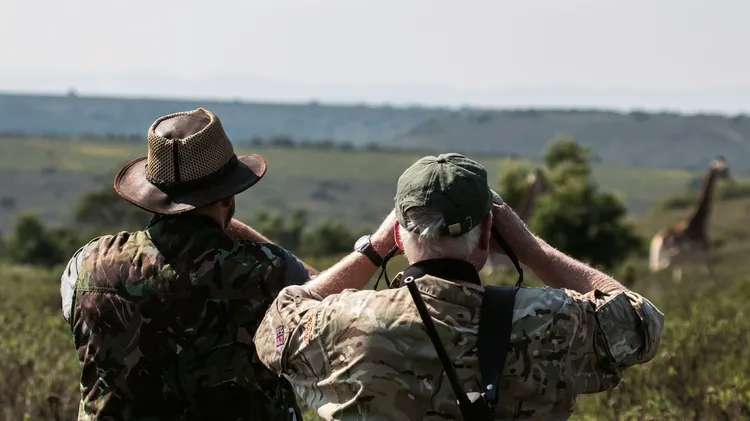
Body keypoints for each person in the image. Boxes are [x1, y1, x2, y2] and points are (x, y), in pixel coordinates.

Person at [253, 152, 665, 420]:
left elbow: (274, 330)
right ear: (488, 234)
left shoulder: (346, 321)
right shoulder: (551, 318)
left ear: (398, 235)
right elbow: (640, 322)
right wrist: (532, 249)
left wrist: (372, 251)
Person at [59, 108, 318, 420]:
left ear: (151, 196)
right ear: (229, 196)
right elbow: (320, 295)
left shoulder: (87, 263)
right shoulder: (271, 270)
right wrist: (368, 252)